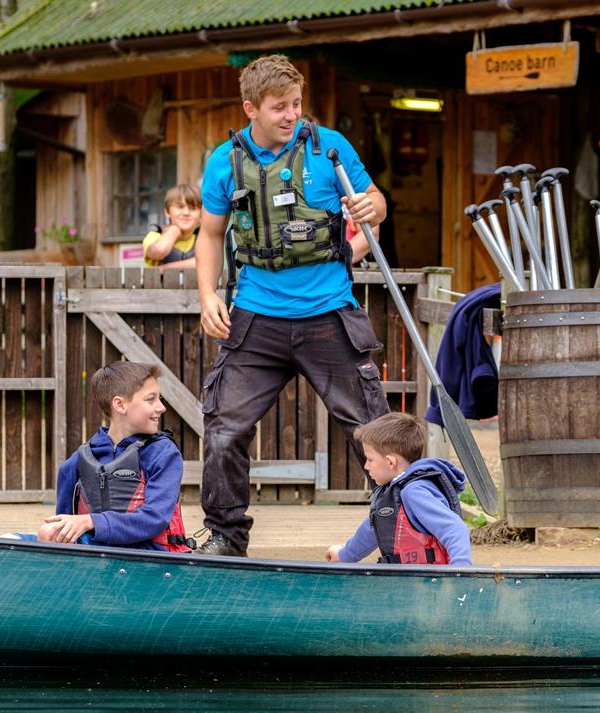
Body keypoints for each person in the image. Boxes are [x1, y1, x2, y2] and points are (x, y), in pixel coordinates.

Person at [193, 54, 390, 557]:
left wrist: (374, 206)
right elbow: (210, 235)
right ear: (250, 109)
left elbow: (375, 203)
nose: (291, 115)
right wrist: (208, 294)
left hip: (327, 314)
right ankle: (226, 537)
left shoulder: (330, 149)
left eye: (297, 104)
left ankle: (402, 531)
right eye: (279, 107)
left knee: (375, 430)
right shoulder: (224, 161)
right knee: (223, 430)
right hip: (257, 316)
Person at [35, 361, 189, 552]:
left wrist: (91, 521)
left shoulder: (164, 454)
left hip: (155, 553)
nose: (161, 407)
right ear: (119, 405)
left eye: (160, 398)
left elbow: (155, 519)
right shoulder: (81, 458)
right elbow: (63, 525)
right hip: (99, 551)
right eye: (151, 399)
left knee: (45, 534)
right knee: (45, 533)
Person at [325, 413, 472, 566]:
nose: (366, 466)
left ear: (390, 462)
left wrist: (460, 571)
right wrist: (343, 555)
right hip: (410, 582)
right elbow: (372, 530)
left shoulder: (414, 492)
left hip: (432, 583)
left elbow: (455, 529)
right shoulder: (392, 494)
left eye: (369, 459)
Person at [143, 184, 202, 269]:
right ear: (167, 211)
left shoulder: (202, 240)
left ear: (201, 216)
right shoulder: (154, 236)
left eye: (192, 208)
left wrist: (163, 269)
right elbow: (159, 250)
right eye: (180, 207)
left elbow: (208, 263)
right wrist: (174, 231)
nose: (186, 213)